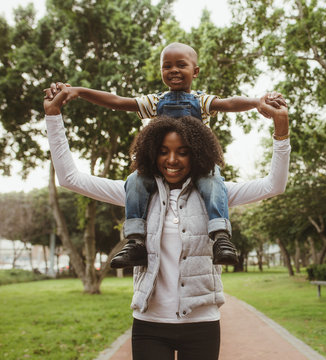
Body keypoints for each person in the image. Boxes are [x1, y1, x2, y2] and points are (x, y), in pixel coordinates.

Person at [43, 83, 290, 360]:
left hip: (202, 325)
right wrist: (53, 117)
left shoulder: (216, 195)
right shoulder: (136, 192)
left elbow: (274, 185)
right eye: (163, 151)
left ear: (197, 153)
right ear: (151, 151)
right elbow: (69, 179)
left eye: (182, 151)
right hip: (149, 325)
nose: (172, 160)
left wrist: (281, 129)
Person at [46, 42, 284, 268]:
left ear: (196, 71)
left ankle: (220, 236)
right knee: (135, 181)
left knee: (214, 182)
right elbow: (117, 101)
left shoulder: (201, 102)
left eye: (181, 65)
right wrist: (78, 91)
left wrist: (256, 102)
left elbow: (230, 103)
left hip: (202, 167)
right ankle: (136, 241)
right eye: (167, 66)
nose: (174, 70)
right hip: (150, 173)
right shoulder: (155, 102)